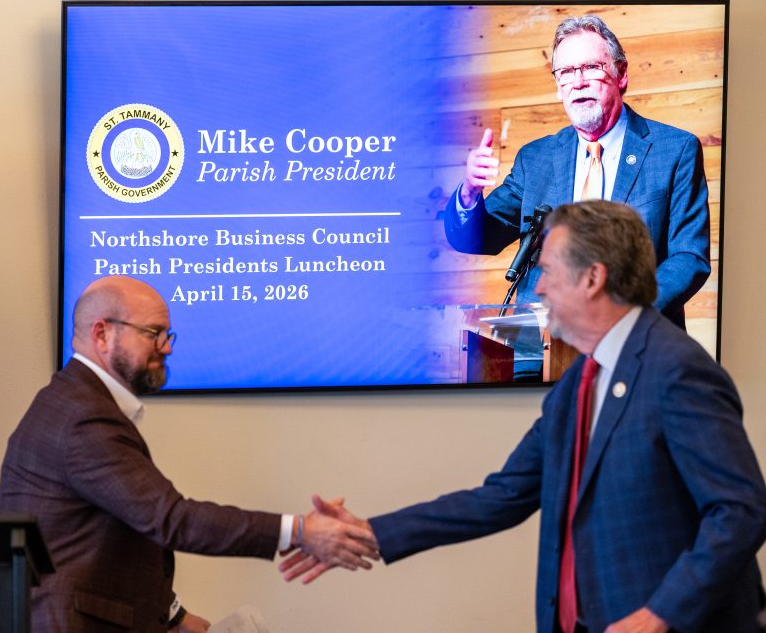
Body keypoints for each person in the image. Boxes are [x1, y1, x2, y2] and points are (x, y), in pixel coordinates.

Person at [284, 201, 766, 633]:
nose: (537, 287)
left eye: (548, 271)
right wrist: (370, 532)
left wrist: (658, 615)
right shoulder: (578, 384)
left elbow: (740, 510)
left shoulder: (677, 368)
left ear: (592, 278)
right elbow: (501, 496)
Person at [0, 275, 377, 633]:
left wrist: (173, 614)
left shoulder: (73, 401)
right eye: (153, 334)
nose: (167, 347)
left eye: (167, 334)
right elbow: (172, 520)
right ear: (102, 334)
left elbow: (117, 527)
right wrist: (300, 531)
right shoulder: (83, 417)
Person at [445, 14, 710, 331]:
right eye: (566, 72)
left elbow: (688, 257)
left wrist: (624, 312)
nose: (578, 82)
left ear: (620, 74)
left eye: (591, 68)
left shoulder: (675, 150)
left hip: (635, 346)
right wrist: (469, 192)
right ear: (558, 87)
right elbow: (479, 238)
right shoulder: (536, 159)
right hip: (538, 349)